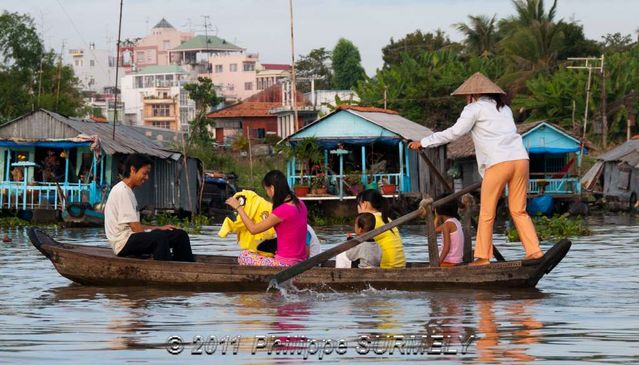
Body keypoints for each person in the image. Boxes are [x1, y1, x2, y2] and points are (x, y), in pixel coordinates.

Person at [408, 72, 543, 265]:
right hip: (521, 160)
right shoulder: (504, 109)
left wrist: (424, 142)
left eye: (466, 97)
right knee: (518, 210)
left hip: (499, 162)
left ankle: (483, 257)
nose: (465, 100)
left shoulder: (473, 108)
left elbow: (455, 133)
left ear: (473, 95)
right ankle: (535, 251)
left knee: (487, 213)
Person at [104, 154, 194, 262]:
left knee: (179, 235)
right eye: (144, 173)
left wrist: (159, 228)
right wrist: (156, 235)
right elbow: (136, 229)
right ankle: (165, 271)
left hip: (131, 238)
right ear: (133, 170)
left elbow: (135, 227)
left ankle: (185, 267)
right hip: (122, 244)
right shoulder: (122, 191)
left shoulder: (128, 191)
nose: (147, 178)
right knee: (159, 238)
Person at [225, 170, 308, 267]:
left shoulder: (282, 211)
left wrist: (238, 207)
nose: (268, 193)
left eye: (266, 190)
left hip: (286, 263)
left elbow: (253, 229)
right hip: (301, 261)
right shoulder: (300, 204)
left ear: (272, 188)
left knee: (244, 255)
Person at [356, 189, 405, 268]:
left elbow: (357, 244)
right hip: (400, 266)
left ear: (364, 204)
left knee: (345, 254)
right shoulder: (386, 218)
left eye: (358, 204)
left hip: (385, 268)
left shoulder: (369, 220)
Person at [433, 193, 464, 267]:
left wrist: (437, 264)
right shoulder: (455, 221)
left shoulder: (447, 225)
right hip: (457, 260)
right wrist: (437, 217)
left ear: (439, 210)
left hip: (449, 261)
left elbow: (446, 248)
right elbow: (434, 230)